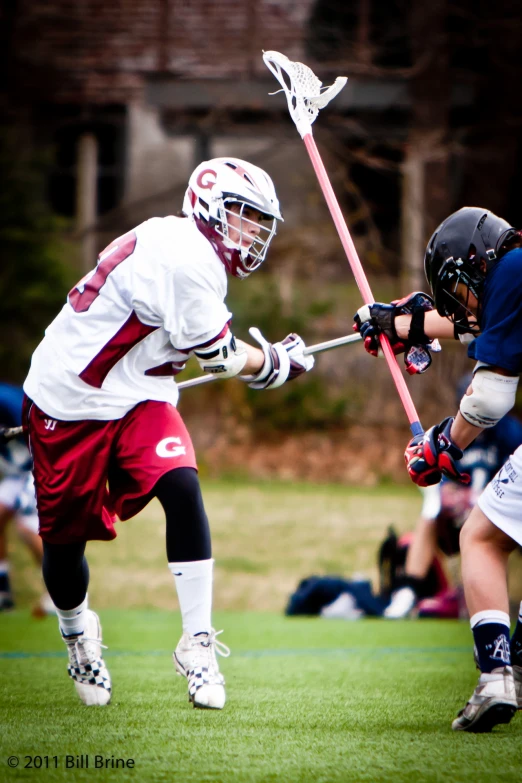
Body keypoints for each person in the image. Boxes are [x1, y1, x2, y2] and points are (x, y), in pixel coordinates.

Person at [22, 157, 315, 709]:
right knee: (64, 548)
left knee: (182, 487)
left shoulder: (188, 250)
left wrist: (268, 361)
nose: (254, 233)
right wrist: (275, 363)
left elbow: (214, 352)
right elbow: (224, 358)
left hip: (137, 396)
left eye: (259, 221)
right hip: (69, 399)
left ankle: (197, 642)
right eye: (245, 216)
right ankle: (77, 630)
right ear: (210, 207)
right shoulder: (188, 260)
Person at [354, 207, 522, 732]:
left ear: (472, 265)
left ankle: (496, 676)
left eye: (457, 287)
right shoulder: (514, 273)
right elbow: (479, 321)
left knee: (481, 538)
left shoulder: (514, 272)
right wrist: (398, 322)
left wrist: (441, 444)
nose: (459, 304)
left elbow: (490, 397)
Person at [384, 387, 522, 619]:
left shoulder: (510, 433)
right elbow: (440, 484)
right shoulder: (453, 431)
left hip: (503, 512)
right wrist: (448, 493)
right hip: (459, 519)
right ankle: (408, 589)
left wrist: (484, 498)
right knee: (430, 514)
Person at [0, 382, 54, 615]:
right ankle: (3, 590)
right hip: (14, 472)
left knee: (26, 527)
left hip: (37, 467)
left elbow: (40, 431)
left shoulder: (7, 401)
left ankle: (60, 590)